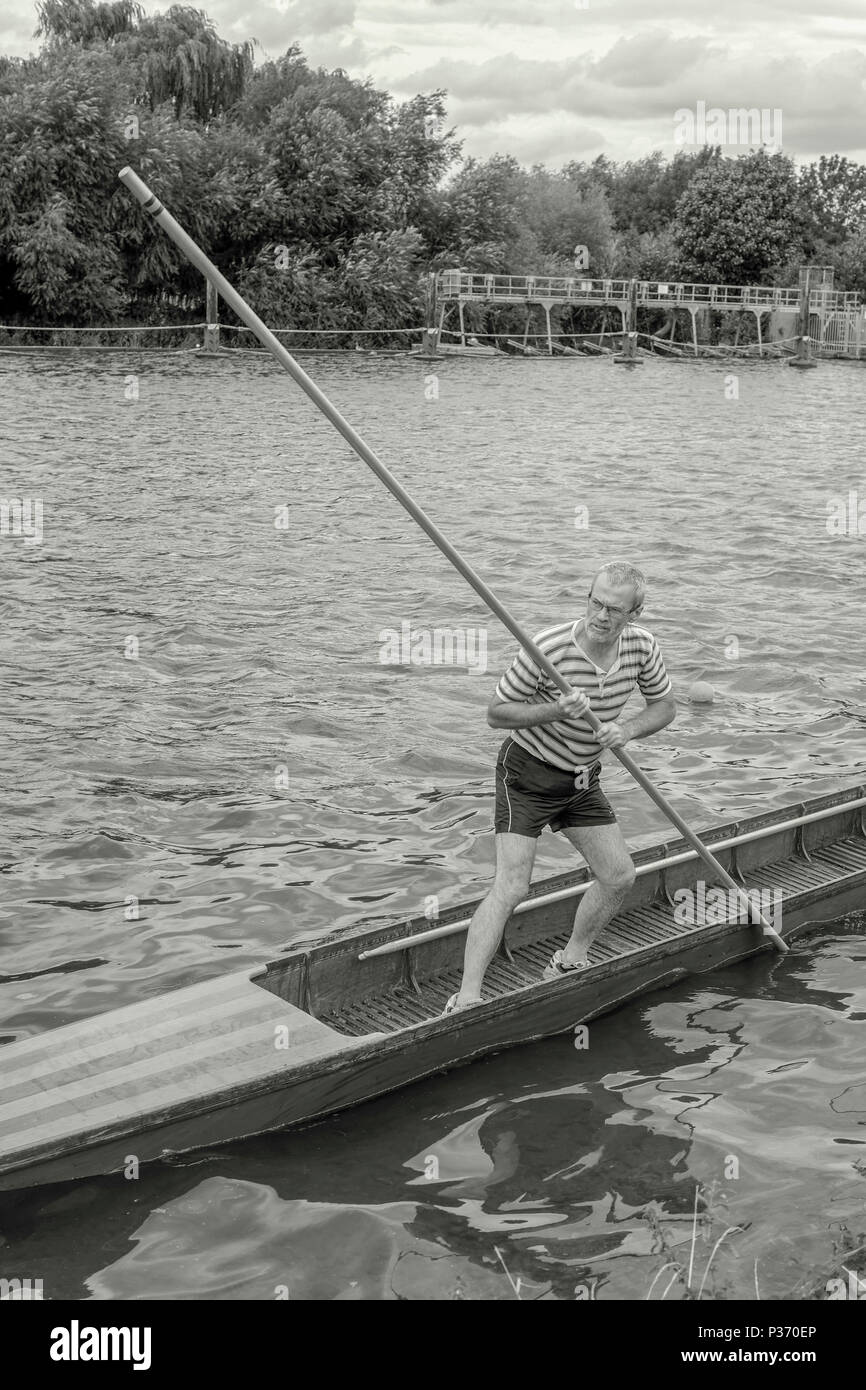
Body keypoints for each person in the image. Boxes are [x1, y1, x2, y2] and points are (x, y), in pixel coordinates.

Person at [444, 560, 676, 1015]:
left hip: (582, 779)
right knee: (512, 887)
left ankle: (570, 959)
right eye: (595, 602)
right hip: (526, 776)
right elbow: (497, 714)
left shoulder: (642, 648)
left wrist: (627, 730)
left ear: (636, 613)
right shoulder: (547, 648)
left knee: (619, 876)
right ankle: (467, 995)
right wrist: (555, 711)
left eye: (614, 609)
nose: (601, 616)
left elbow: (665, 706)